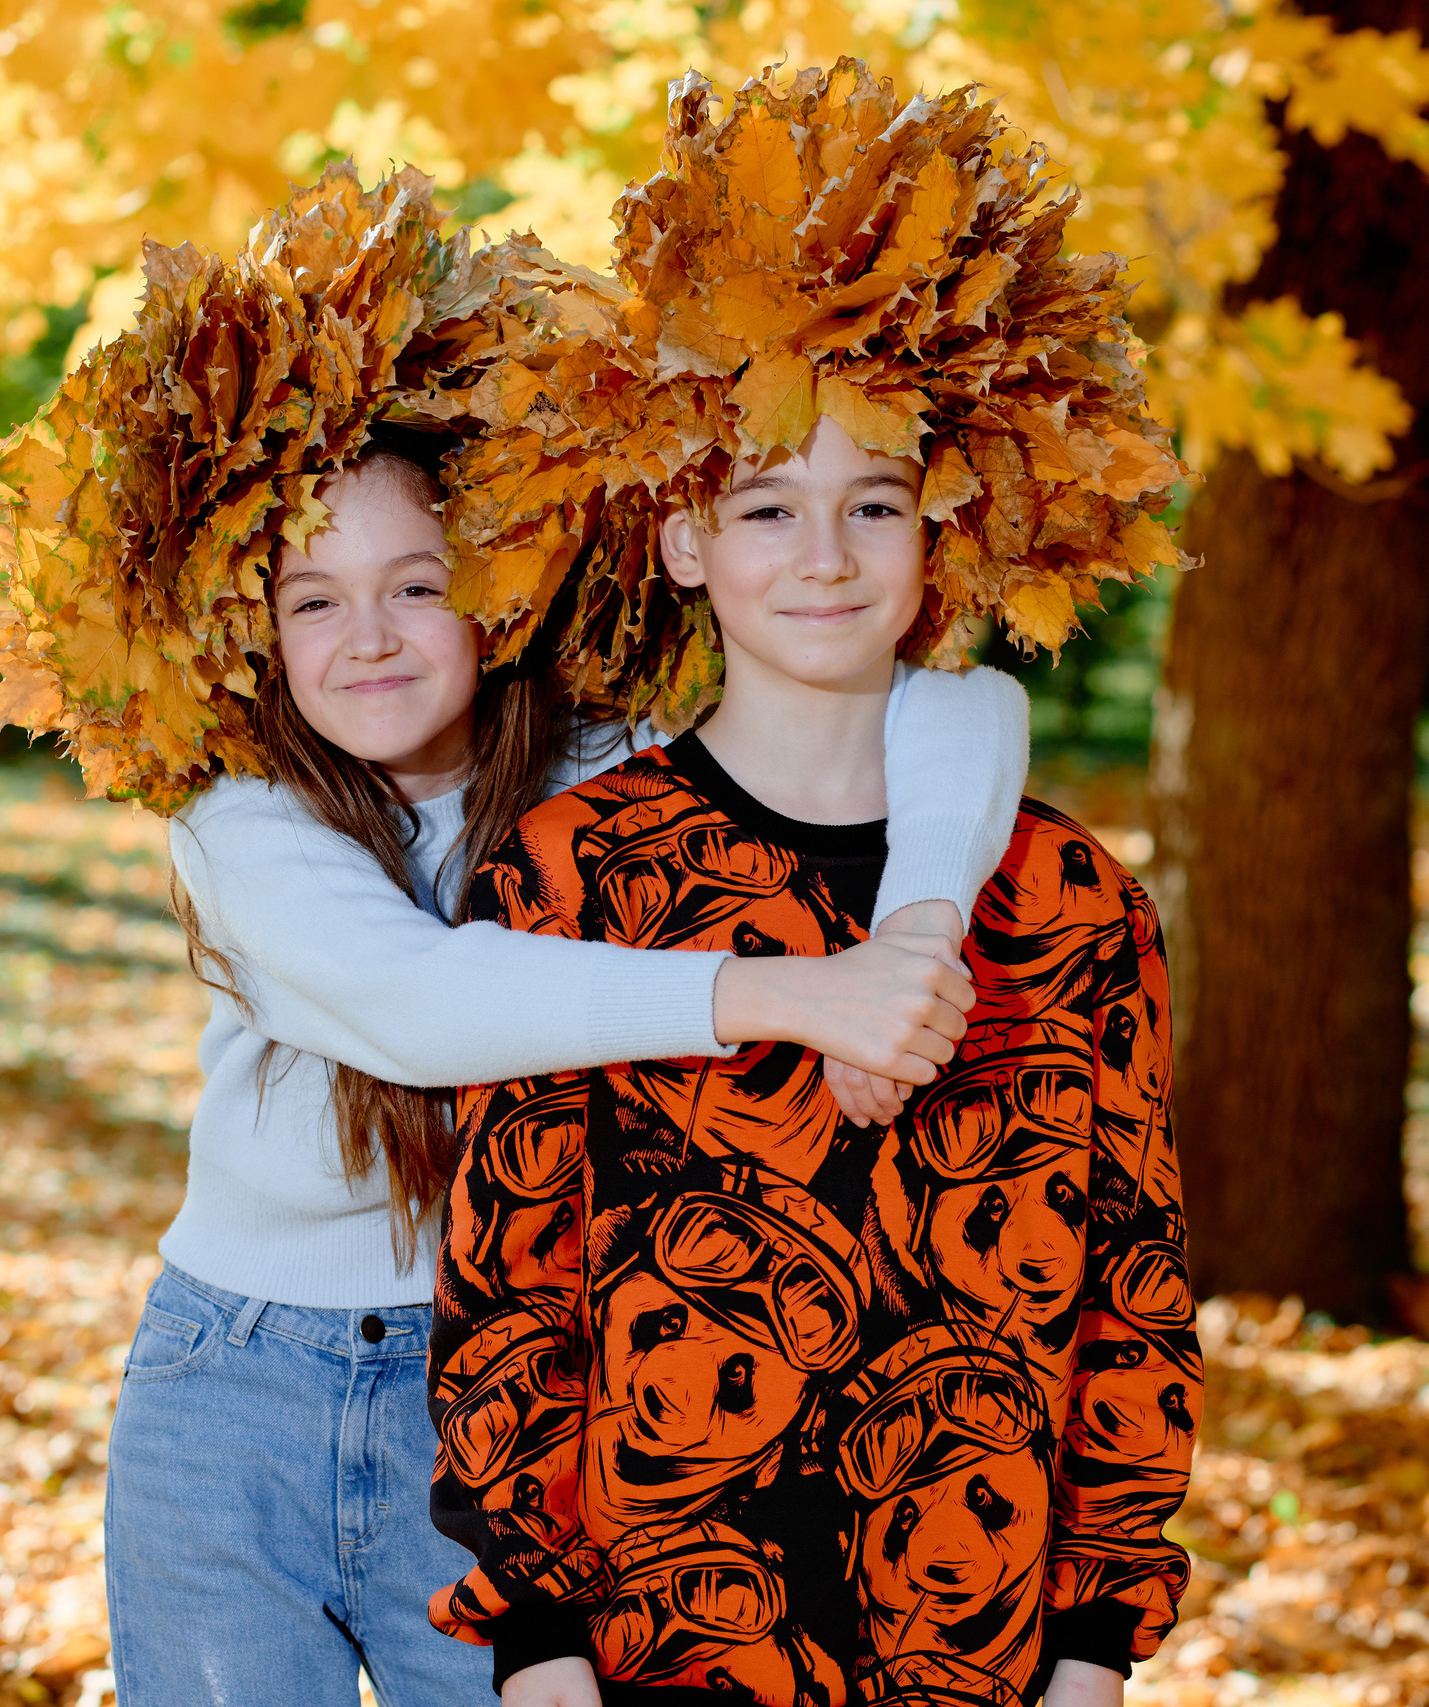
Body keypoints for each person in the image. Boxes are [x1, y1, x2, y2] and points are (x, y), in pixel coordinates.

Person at [0, 168, 1031, 1707]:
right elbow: (421, 1003)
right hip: (234, 1393)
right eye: (313, 602)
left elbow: (959, 706)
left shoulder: (599, 768)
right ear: (252, 631)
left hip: (502, 1386)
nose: (374, 638)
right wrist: (794, 995)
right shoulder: (239, 817)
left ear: (492, 588)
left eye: (417, 584)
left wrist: (919, 925)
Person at [426, 63, 1201, 1707]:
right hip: (661, 1648)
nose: (827, 555)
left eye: (874, 505)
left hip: (982, 1658)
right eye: (766, 505)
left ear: (944, 529)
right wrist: (541, 1653)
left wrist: (1095, 1654)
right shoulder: (577, 873)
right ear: (684, 542)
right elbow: (512, 1289)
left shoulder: (1070, 901)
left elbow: (1135, 1287)